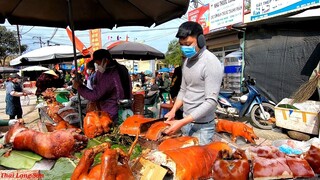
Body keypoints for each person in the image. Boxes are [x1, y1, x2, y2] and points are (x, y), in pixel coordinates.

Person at [164, 21, 223, 145]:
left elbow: (211, 101)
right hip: (186, 123)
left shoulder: (211, 62)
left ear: (201, 40)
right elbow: (183, 90)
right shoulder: (187, 62)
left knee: (199, 163)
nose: (185, 48)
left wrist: (182, 122)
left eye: (188, 44)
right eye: (182, 45)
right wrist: (174, 110)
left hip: (202, 128)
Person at [73, 49, 132, 124]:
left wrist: (79, 87)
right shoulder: (121, 68)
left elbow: (95, 95)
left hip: (112, 114)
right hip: (126, 109)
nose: (97, 66)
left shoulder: (109, 74)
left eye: (98, 63)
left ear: (105, 60)